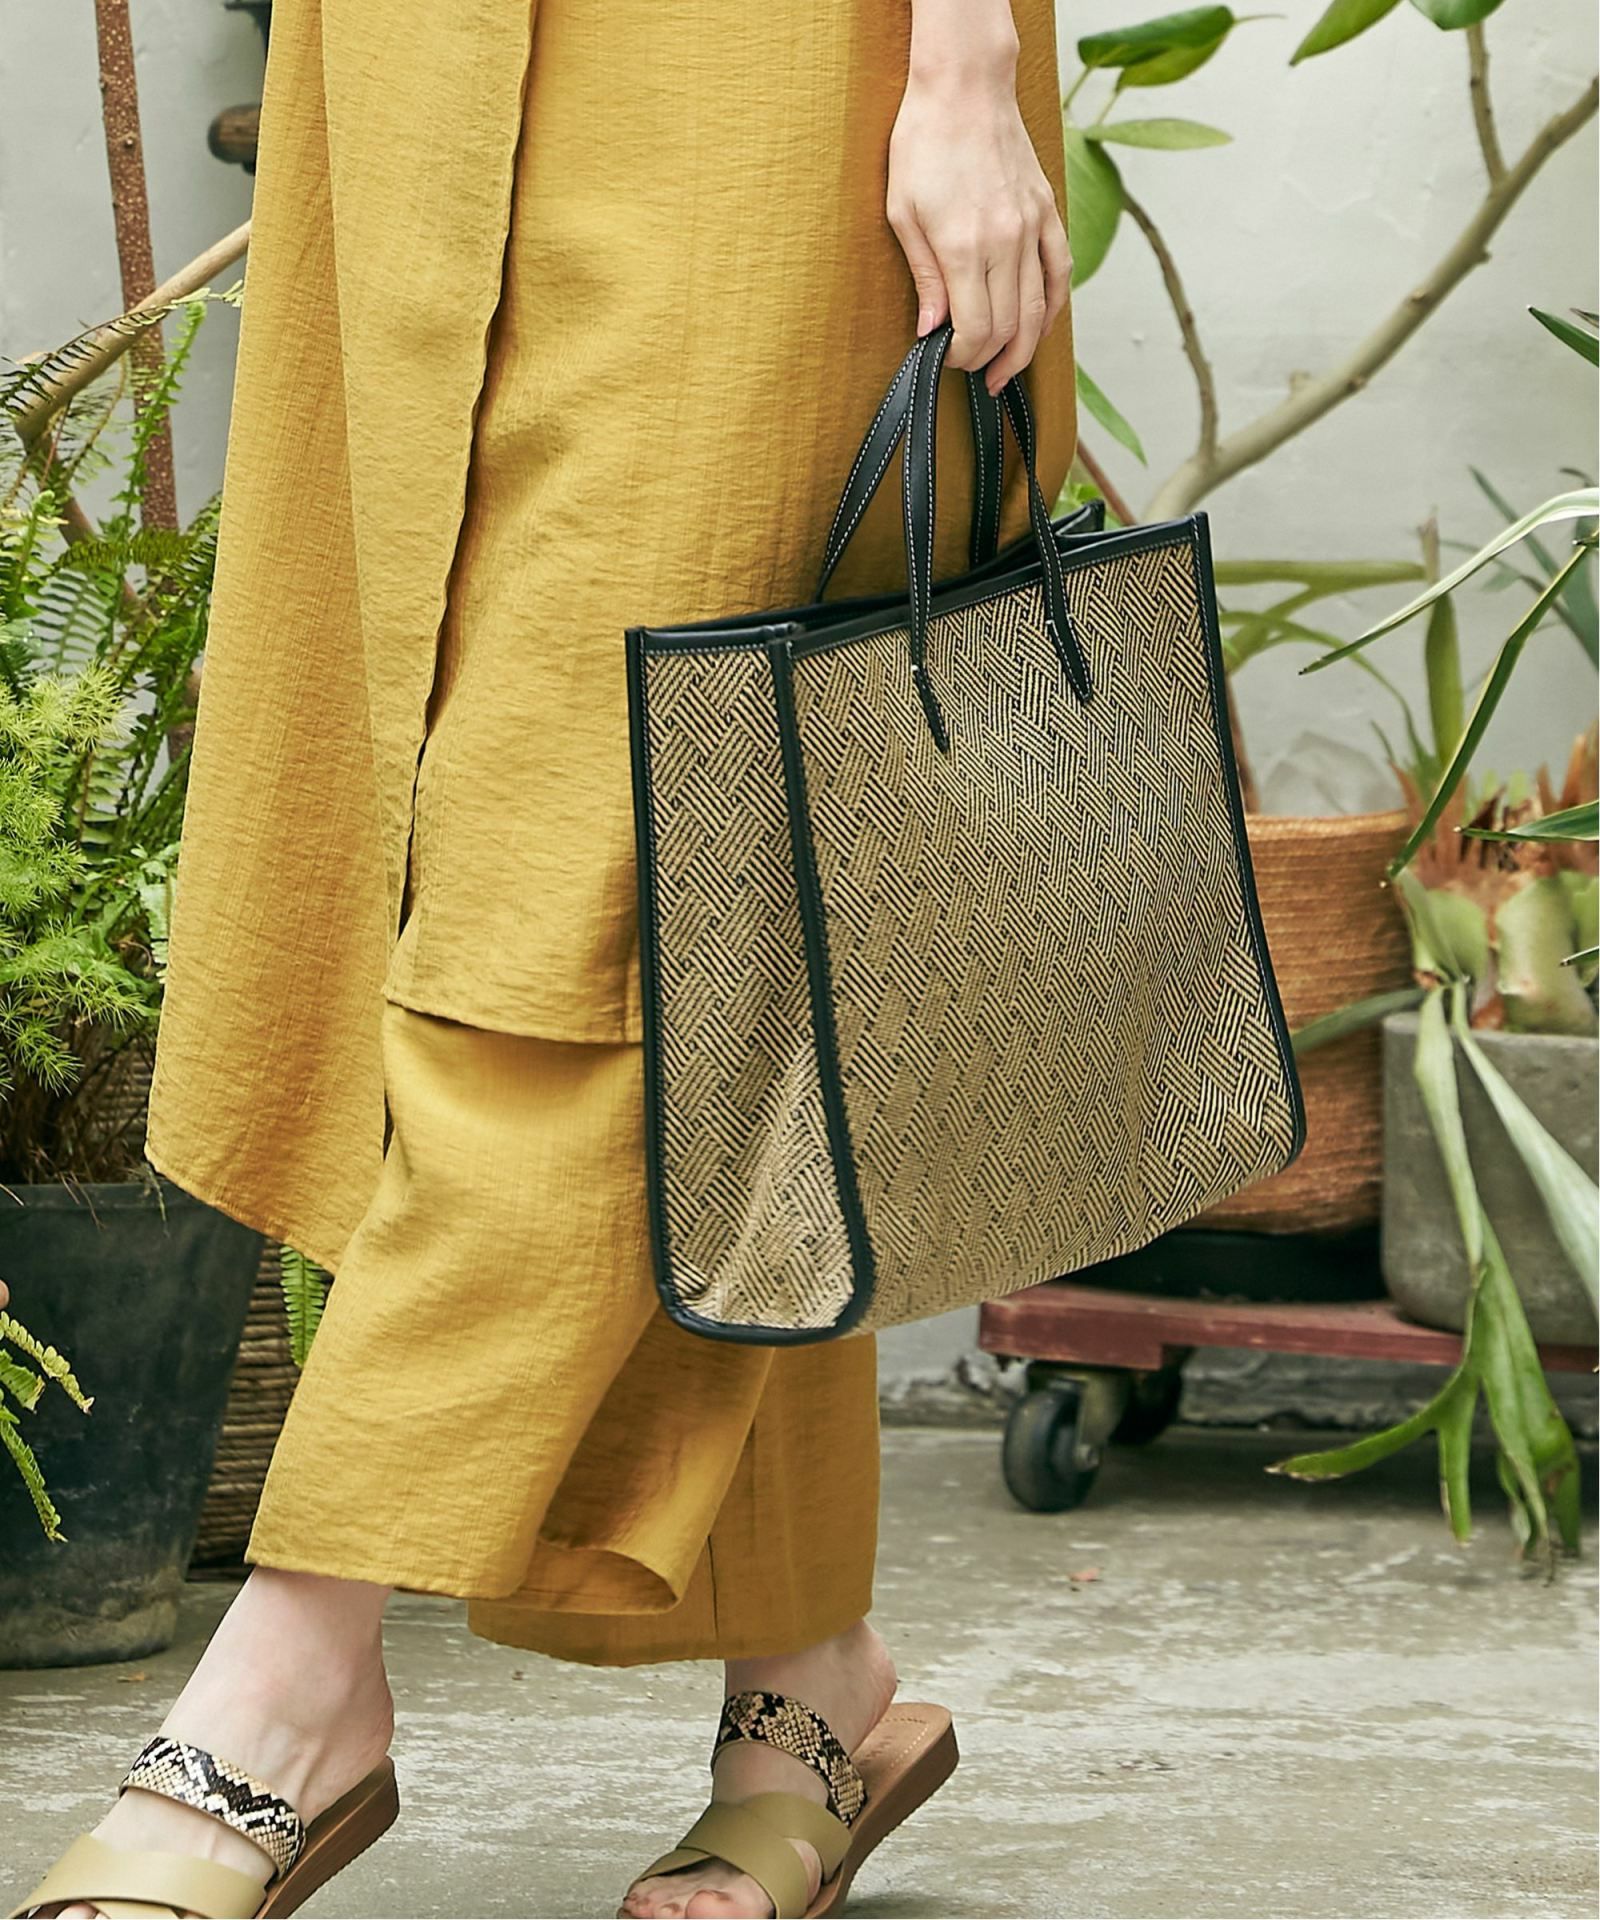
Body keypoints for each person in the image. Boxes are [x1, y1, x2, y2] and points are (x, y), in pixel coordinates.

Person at [12, 0, 1076, 1915]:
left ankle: (294, 1679)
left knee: (612, 843)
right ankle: (811, 1681)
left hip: (762, 65)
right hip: (404, 61)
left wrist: (964, 64)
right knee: (713, 869)